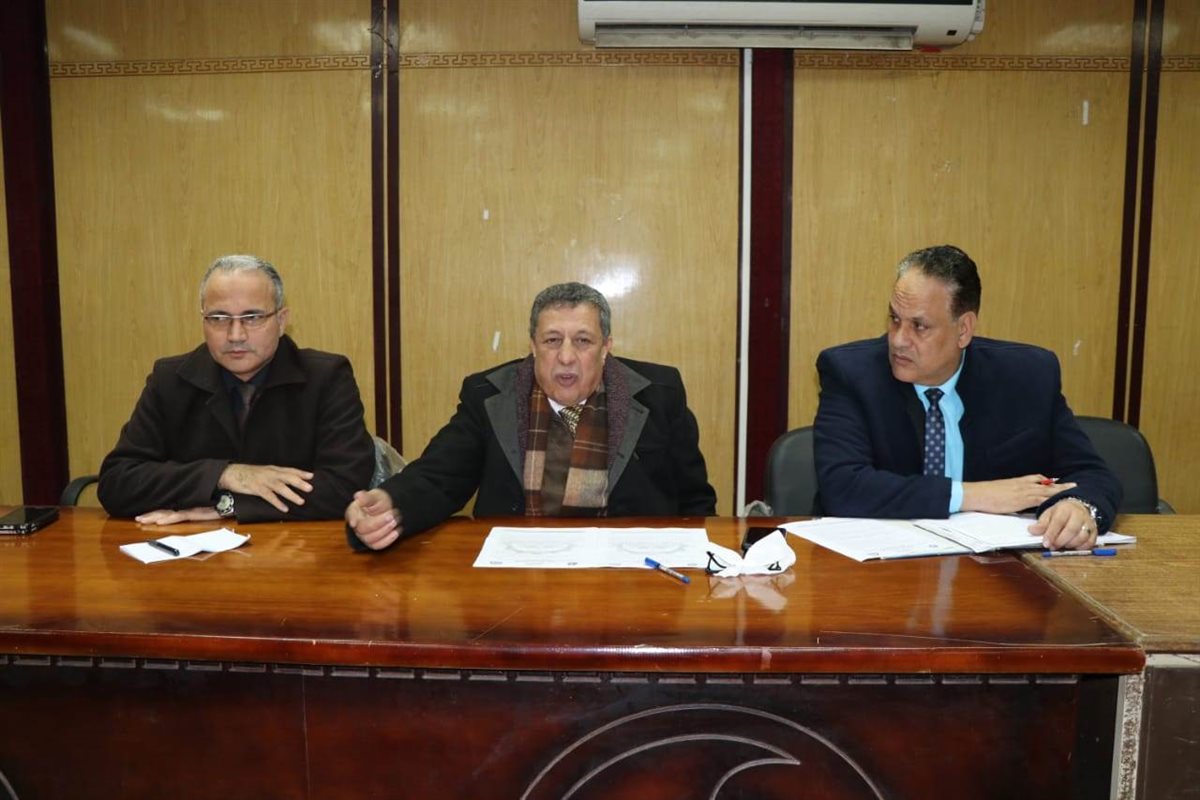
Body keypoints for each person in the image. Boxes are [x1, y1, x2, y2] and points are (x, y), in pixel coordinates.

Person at [346, 282, 717, 550]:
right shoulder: (490, 396)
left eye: (583, 341)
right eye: (552, 340)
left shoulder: (659, 395)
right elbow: (438, 477)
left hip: (632, 580)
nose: (566, 357)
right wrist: (391, 502)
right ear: (533, 347)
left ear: (606, 348)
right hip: (518, 575)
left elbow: (695, 502)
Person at [813, 245, 1121, 551]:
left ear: (963, 330)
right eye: (894, 319)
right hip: (879, 567)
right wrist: (972, 495)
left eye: (919, 326)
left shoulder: (1028, 378)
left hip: (996, 568)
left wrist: (1078, 506)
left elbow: (1093, 475)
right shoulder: (850, 374)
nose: (899, 340)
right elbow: (842, 487)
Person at [98, 254, 375, 524]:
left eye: (252, 317)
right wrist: (224, 474)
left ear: (281, 321)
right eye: (219, 318)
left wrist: (229, 506)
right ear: (203, 321)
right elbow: (117, 483)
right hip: (191, 550)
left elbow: (346, 486)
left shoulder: (326, 377)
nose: (235, 335)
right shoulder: (170, 380)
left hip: (295, 548)